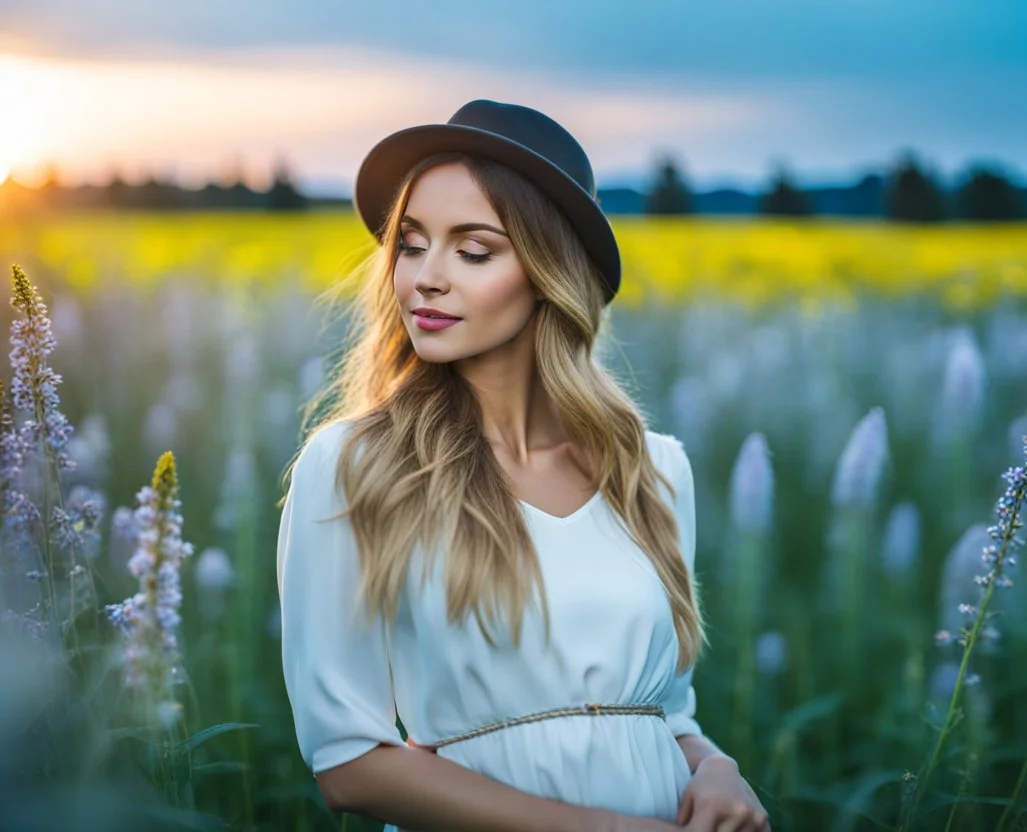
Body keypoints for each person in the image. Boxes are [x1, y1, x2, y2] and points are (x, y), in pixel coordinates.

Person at [276, 99, 770, 832]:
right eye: (411, 245)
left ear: (550, 272)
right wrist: (595, 828)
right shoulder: (354, 466)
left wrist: (719, 771)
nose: (425, 279)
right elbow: (349, 765)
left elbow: (663, 713)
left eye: (473, 251)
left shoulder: (653, 471)